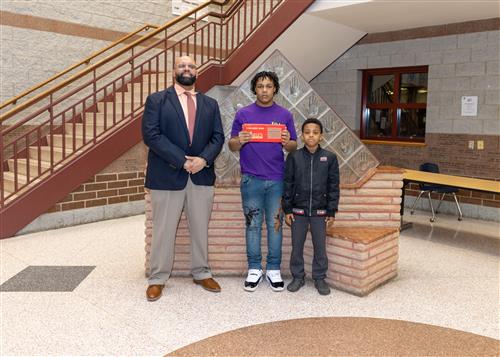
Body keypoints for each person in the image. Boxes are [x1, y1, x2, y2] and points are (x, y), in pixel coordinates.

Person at [142, 55, 224, 301]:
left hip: (201, 175)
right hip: (166, 175)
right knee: (163, 230)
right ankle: (157, 278)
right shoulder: (157, 100)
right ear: (173, 71)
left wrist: (203, 160)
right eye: (182, 65)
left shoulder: (210, 104)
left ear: (197, 73)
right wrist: (182, 160)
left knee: (200, 229)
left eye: (191, 66)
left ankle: (201, 272)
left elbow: (218, 138)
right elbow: (151, 135)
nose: (186, 69)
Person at [228, 71, 297, 292]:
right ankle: (255, 268)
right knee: (253, 226)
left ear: (275, 89)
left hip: (277, 179)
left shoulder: (285, 115)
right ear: (254, 89)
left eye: (268, 86)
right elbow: (231, 145)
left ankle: (274, 269)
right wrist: (239, 140)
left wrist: (288, 142)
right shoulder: (244, 114)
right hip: (251, 180)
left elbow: (293, 146)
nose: (264, 90)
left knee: (275, 226)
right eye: (260, 86)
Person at [283, 118, 340, 295]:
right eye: (307, 132)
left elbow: (333, 186)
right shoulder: (294, 157)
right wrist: (287, 209)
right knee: (297, 246)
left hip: (320, 211)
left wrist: (331, 210)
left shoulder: (330, 158)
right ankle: (298, 276)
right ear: (302, 135)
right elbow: (288, 184)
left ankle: (320, 277)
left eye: (315, 132)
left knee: (320, 246)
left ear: (321, 136)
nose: (311, 136)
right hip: (298, 211)